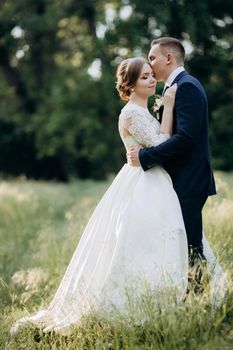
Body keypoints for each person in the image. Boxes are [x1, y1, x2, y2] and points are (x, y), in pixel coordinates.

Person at [11, 57, 189, 336]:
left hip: (154, 180)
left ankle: (160, 303)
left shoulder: (143, 111)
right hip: (141, 184)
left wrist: (165, 110)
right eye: (144, 77)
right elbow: (161, 144)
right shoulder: (131, 113)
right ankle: (126, 306)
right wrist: (169, 108)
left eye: (152, 75)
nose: (153, 80)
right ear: (129, 85)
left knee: (156, 242)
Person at [127, 37, 216, 274]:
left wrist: (146, 157)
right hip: (179, 178)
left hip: (190, 178)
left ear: (169, 58)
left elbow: (186, 138)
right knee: (181, 242)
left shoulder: (186, 86)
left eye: (152, 58)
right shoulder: (174, 88)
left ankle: (199, 300)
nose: (150, 64)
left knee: (191, 244)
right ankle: (188, 296)